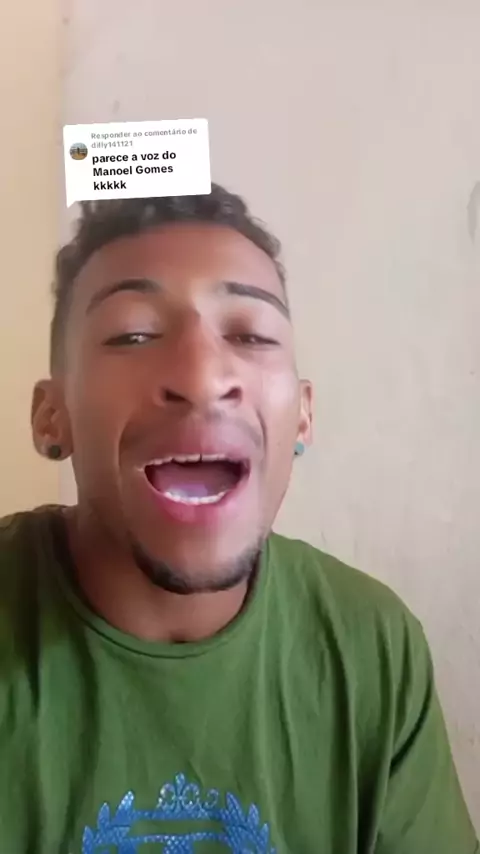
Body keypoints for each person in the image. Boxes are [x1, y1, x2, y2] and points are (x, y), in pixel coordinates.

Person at [0, 185, 477, 854]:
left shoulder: (372, 645)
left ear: (303, 415)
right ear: (53, 416)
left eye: (250, 335)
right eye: (132, 334)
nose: (201, 376)